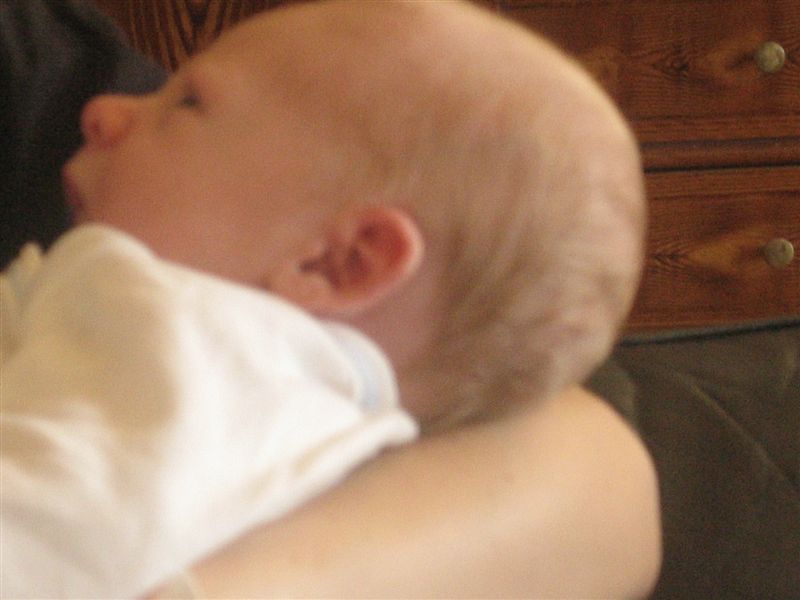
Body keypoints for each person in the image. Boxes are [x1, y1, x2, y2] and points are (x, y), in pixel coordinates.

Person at [2, 1, 661, 598]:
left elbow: (47, 541)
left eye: (188, 102)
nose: (103, 111)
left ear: (339, 262)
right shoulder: (312, 411)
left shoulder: (189, 346)